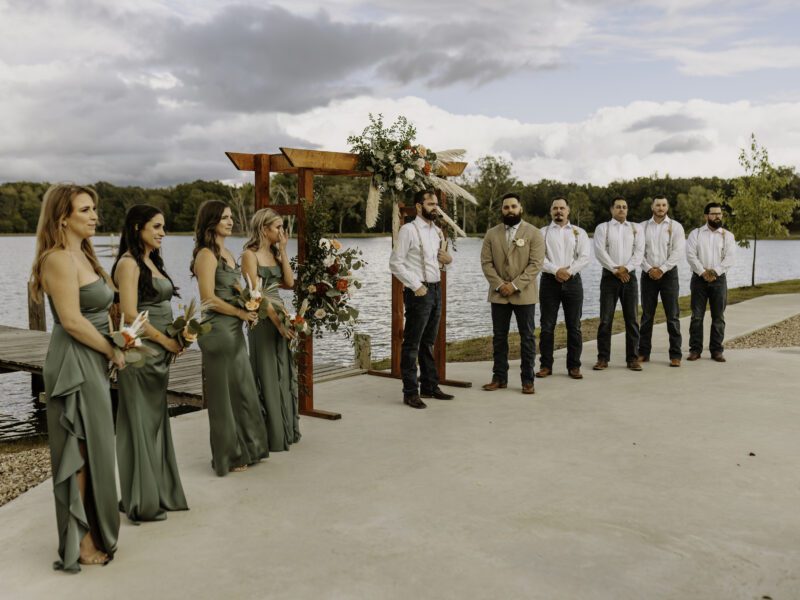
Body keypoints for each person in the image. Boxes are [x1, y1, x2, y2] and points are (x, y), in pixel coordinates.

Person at [29, 184, 124, 571]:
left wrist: (117, 343)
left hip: (93, 357)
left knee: (96, 447)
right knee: (79, 453)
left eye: (94, 209)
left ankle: (95, 529)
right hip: (73, 361)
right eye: (85, 209)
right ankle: (80, 544)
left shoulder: (82, 254)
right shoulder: (57, 260)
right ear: (62, 217)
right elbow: (70, 320)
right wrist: (111, 348)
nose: (94, 215)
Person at [111, 204, 189, 522]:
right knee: (140, 425)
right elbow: (130, 314)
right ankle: (141, 500)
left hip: (161, 354)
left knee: (154, 422)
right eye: (156, 227)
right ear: (136, 228)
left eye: (164, 228)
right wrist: (166, 339)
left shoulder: (150, 261)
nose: (162, 233)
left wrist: (181, 335)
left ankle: (148, 489)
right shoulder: (128, 264)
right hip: (142, 353)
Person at [191, 200, 269, 474]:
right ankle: (230, 455)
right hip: (218, 330)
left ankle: (251, 447)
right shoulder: (206, 255)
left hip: (235, 330)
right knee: (224, 396)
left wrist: (251, 305)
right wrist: (239, 313)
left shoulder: (228, 253)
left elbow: (238, 289)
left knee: (243, 391)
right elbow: (208, 299)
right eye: (225, 217)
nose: (230, 221)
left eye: (231, 217)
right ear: (211, 222)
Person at [241, 208, 301, 451]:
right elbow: (257, 296)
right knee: (266, 373)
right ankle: (270, 434)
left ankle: (286, 429)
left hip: (281, 315)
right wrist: (277, 325)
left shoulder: (275, 253)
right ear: (264, 229)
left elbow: (289, 282)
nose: (282, 231)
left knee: (283, 372)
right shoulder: (249, 255)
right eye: (277, 227)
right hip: (264, 319)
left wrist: (284, 250)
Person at [389, 189, 454, 409]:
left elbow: (439, 262)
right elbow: (395, 263)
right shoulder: (408, 230)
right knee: (412, 343)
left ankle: (429, 385)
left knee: (429, 342)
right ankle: (410, 392)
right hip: (419, 292)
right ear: (418, 206)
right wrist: (415, 285)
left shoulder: (437, 232)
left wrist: (448, 260)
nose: (435, 207)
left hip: (436, 289)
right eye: (430, 204)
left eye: (436, 204)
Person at [480, 193, 545, 393]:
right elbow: (486, 263)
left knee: (527, 337)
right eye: (506, 207)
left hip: (524, 294)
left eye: (513, 206)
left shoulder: (533, 233)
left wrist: (515, 285)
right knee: (499, 337)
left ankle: (528, 380)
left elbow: (536, 265)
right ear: (502, 210)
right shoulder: (492, 233)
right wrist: (500, 285)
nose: (510, 210)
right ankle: (499, 377)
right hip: (499, 295)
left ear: (520, 208)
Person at [536, 197, 590, 380]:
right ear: (551, 211)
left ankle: (574, 366)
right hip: (549, 282)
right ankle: (545, 366)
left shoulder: (578, 232)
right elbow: (538, 258)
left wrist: (569, 271)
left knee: (574, 326)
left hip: (573, 282)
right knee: (547, 326)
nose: (559, 211)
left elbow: (584, 257)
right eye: (555, 208)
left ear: (568, 210)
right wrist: (555, 270)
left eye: (562, 208)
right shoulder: (541, 232)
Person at [593, 197, 645, 371]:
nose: (621, 210)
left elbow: (639, 252)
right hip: (609, 277)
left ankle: (632, 358)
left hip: (629, 277)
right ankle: (602, 358)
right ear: (612, 209)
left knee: (632, 320)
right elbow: (600, 252)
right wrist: (615, 270)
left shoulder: (636, 228)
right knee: (606, 320)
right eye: (618, 207)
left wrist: (626, 269)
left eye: (624, 207)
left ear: (627, 210)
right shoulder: (603, 228)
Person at [638, 197, 686, 367]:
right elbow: (638, 252)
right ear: (652, 206)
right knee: (646, 316)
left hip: (669, 275)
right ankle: (643, 353)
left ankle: (675, 355)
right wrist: (650, 269)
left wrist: (662, 269)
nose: (660, 207)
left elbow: (678, 252)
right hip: (647, 274)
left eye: (664, 205)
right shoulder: (642, 227)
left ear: (667, 207)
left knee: (672, 316)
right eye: (657, 205)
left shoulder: (676, 227)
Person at [686, 202, 736, 362]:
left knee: (718, 317)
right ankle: (695, 350)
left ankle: (716, 350)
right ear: (706, 216)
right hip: (699, 280)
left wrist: (715, 272)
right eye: (714, 214)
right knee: (697, 317)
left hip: (719, 280)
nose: (717, 216)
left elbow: (730, 258)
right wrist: (703, 272)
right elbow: (691, 256)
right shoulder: (696, 234)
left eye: (719, 214)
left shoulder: (728, 236)